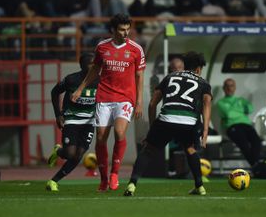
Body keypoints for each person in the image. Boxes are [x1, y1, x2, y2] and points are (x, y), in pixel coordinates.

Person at [71, 14, 145, 192]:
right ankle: (103, 179)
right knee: (101, 138)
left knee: (120, 132)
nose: (126, 32)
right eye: (122, 29)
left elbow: (139, 76)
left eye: (128, 29)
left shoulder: (136, 49)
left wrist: (139, 102)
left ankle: (114, 174)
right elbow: (95, 69)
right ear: (113, 29)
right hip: (104, 97)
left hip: (125, 98)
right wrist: (80, 88)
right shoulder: (102, 47)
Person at [123, 51, 212, 196]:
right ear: (198, 69)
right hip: (189, 121)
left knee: (148, 150)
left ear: (184, 65)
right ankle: (200, 186)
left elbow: (152, 104)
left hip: (167, 119)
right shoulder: (203, 82)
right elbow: (207, 104)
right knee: (190, 149)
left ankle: (132, 184)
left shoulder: (169, 77)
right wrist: (206, 130)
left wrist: (153, 128)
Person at [45, 53, 99, 191]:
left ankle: (53, 181)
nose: (93, 66)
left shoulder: (100, 80)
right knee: (70, 153)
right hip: (72, 120)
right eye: (90, 63)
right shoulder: (71, 79)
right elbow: (54, 92)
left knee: (79, 154)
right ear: (82, 65)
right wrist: (58, 115)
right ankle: (59, 151)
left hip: (89, 122)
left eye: (95, 63)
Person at [216, 78, 263, 175]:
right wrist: (239, 109)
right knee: (244, 143)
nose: (229, 88)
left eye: (231, 86)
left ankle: (256, 165)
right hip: (232, 126)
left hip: (246, 124)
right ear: (224, 88)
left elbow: (250, 108)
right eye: (227, 86)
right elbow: (228, 114)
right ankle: (256, 165)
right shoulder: (220, 103)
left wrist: (233, 109)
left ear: (235, 88)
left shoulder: (241, 100)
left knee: (256, 140)